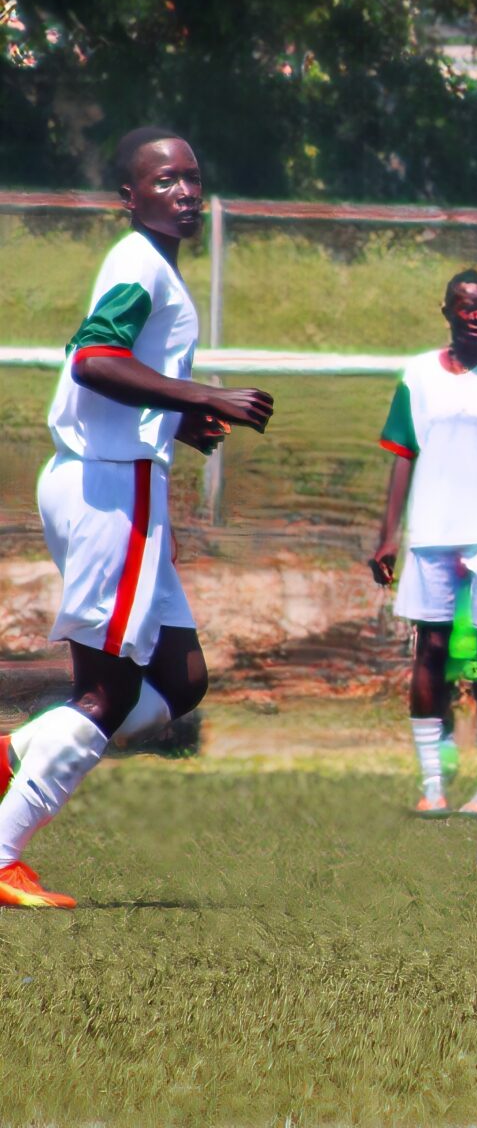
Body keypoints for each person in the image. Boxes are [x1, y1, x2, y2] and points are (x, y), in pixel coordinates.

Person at [0, 127, 274, 908]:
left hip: (118, 479)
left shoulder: (149, 270)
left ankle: (17, 752)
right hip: (110, 488)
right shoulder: (137, 262)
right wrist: (205, 396)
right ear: (129, 196)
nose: (185, 192)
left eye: (192, 178)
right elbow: (92, 359)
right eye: (164, 181)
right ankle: (1, 852)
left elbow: (100, 358)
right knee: (108, 695)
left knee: (182, 677)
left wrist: (174, 420)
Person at [368, 271, 477, 819]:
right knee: (431, 649)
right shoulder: (418, 375)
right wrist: (388, 534)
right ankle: (432, 784)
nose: (475, 315)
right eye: (465, 306)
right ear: (445, 310)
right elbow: (404, 453)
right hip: (433, 530)